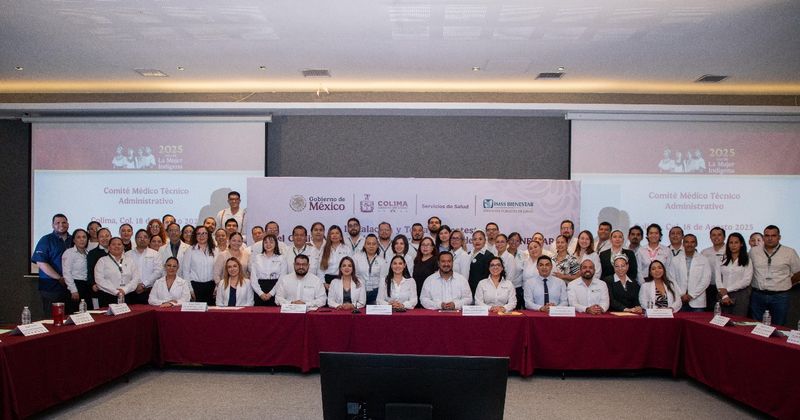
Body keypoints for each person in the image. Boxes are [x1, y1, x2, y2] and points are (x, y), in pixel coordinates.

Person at [749, 225, 800, 325]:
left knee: (779, 326)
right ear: (763, 237)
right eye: (767, 235)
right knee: (755, 326)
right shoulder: (754, 251)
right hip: (758, 295)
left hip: (780, 296)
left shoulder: (789, 252)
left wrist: (786, 283)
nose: (770, 238)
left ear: (779, 237)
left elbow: (798, 272)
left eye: (773, 235)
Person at [31, 213, 73, 313]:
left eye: (64, 222)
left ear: (68, 224)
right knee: (52, 319)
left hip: (71, 287)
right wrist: (59, 278)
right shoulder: (46, 240)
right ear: (52, 225)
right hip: (51, 287)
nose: (61, 225)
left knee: (70, 319)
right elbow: (41, 263)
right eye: (57, 223)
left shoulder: (74, 240)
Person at [669, 234, 712, 312]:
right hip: (679, 300)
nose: (689, 244)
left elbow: (706, 280)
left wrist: (691, 295)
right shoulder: (675, 260)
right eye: (687, 242)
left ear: (696, 244)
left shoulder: (703, 259)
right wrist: (681, 294)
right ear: (683, 244)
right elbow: (672, 279)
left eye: (692, 242)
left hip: (697, 301)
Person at [94, 237, 141, 307]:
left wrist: (124, 290)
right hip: (107, 296)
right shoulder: (102, 261)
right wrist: (115, 292)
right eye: (113, 244)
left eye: (119, 244)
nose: (116, 246)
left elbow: (135, 278)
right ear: (109, 247)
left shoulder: (130, 261)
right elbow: (99, 280)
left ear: (123, 247)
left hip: (127, 295)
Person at [716, 232, 753, 317]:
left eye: (736, 242)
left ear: (741, 244)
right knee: (720, 322)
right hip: (722, 294)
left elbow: (746, 281)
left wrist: (727, 289)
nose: (733, 245)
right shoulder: (722, 259)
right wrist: (724, 295)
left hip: (740, 295)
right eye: (731, 242)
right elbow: (718, 278)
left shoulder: (747, 260)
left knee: (738, 322)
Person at [180, 225, 217, 305]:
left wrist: (217, 287)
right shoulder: (190, 250)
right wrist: (190, 289)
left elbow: (218, 271)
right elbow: (185, 271)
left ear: (208, 235)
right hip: (195, 286)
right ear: (195, 236)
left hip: (211, 286)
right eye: (198, 234)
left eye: (204, 233)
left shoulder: (215, 250)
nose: (201, 236)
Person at [125, 229, 163, 304]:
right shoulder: (127, 255)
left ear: (149, 240)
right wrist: (134, 285)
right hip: (131, 292)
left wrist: (143, 284)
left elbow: (158, 272)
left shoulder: (155, 254)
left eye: (145, 237)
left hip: (150, 292)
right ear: (135, 240)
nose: (142, 239)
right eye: (139, 237)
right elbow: (125, 273)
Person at [249, 234, 286, 306]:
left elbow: (282, 278)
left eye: (271, 242)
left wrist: (271, 293)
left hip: (276, 290)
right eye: (266, 242)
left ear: (276, 244)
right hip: (259, 291)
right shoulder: (257, 258)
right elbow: (253, 278)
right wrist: (260, 293)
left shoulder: (281, 258)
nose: (268, 244)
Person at [353, 234, 389, 304]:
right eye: (368, 243)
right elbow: (353, 275)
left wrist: (379, 298)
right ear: (364, 245)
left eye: (374, 244)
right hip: (359, 291)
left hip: (375, 293)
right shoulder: (356, 258)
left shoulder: (382, 261)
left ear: (377, 245)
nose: (371, 246)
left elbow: (383, 281)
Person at [62, 228, 90, 312]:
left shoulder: (88, 252)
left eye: (84, 237)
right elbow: (66, 273)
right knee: (74, 314)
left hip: (86, 286)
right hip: (74, 286)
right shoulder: (69, 253)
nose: (82, 240)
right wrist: (73, 290)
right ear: (74, 240)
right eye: (78, 237)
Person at [701, 227, 727, 311]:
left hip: (725, 288)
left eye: (719, 235)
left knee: (724, 313)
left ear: (724, 237)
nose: (716, 237)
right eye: (713, 235)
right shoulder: (704, 252)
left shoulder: (730, 251)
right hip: (709, 287)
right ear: (710, 237)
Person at [494, 234, 522, 303]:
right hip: (494, 290)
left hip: (505, 292)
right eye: (497, 242)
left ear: (507, 243)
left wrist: (501, 291)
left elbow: (510, 278)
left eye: (502, 242)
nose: (499, 244)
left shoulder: (510, 257)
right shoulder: (494, 256)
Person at [87, 227, 111, 302]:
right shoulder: (92, 253)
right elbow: (90, 270)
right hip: (98, 288)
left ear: (111, 237)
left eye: (107, 236)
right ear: (97, 238)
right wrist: (93, 284)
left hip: (113, 288)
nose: (105, 238)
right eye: (101, 236)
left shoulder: (116, 251)